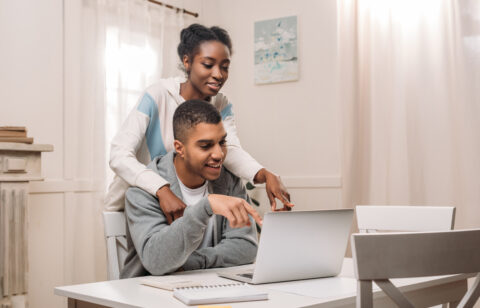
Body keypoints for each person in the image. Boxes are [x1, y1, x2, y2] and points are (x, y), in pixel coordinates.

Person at [105, 23, 293, 223]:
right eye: (208, 64)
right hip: (137, 206)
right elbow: (119, 154)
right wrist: (161, 188)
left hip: (181, 208)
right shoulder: (157, 95)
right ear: (187, 62)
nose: (218, 74)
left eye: (224, 67)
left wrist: (264, 174)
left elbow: (230, 149)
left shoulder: (221, 104)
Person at [121, 100, 262, 278]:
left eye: (222, 142)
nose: (219, 154)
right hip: (149, 295)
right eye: (205, 146)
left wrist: (193, 262)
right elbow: (156, 261)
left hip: (210, 290)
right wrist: (205, 207)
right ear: (180, 148)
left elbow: (245, 248)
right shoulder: (143, 190)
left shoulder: (229, 181)